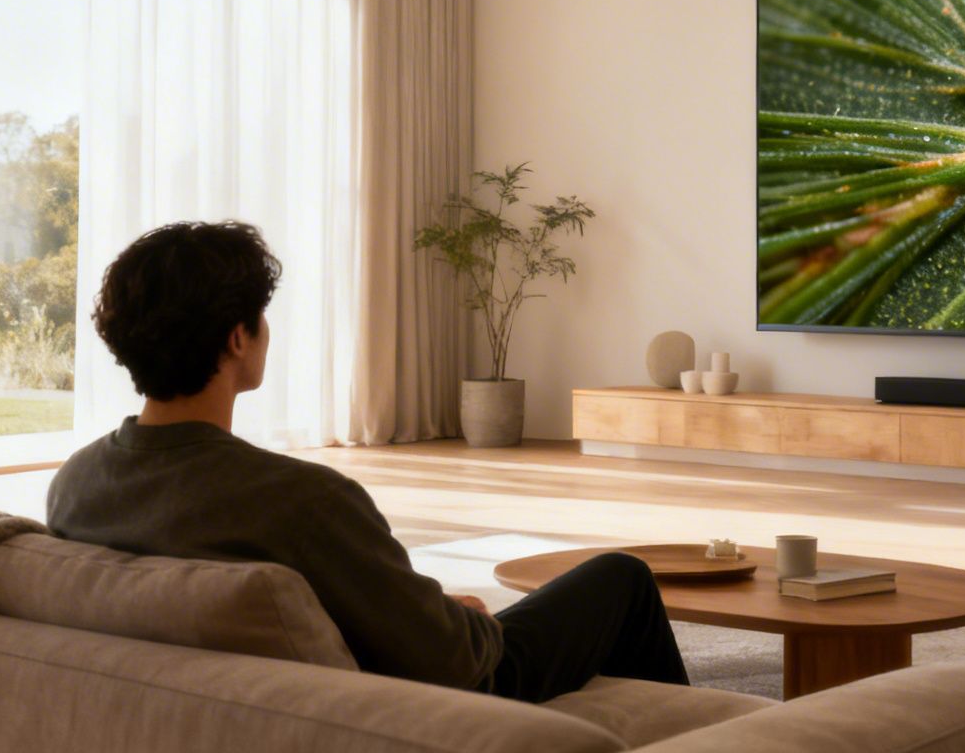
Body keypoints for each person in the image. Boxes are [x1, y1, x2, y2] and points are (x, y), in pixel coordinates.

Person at [47, 220, 688, 702]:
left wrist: (427, 609)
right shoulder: (302, 499)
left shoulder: (76, 484)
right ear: (237, 337)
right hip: (440, 706)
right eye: (260, 317)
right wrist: (462, 623)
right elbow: (456, 663)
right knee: (621, 578)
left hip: (234, 704)